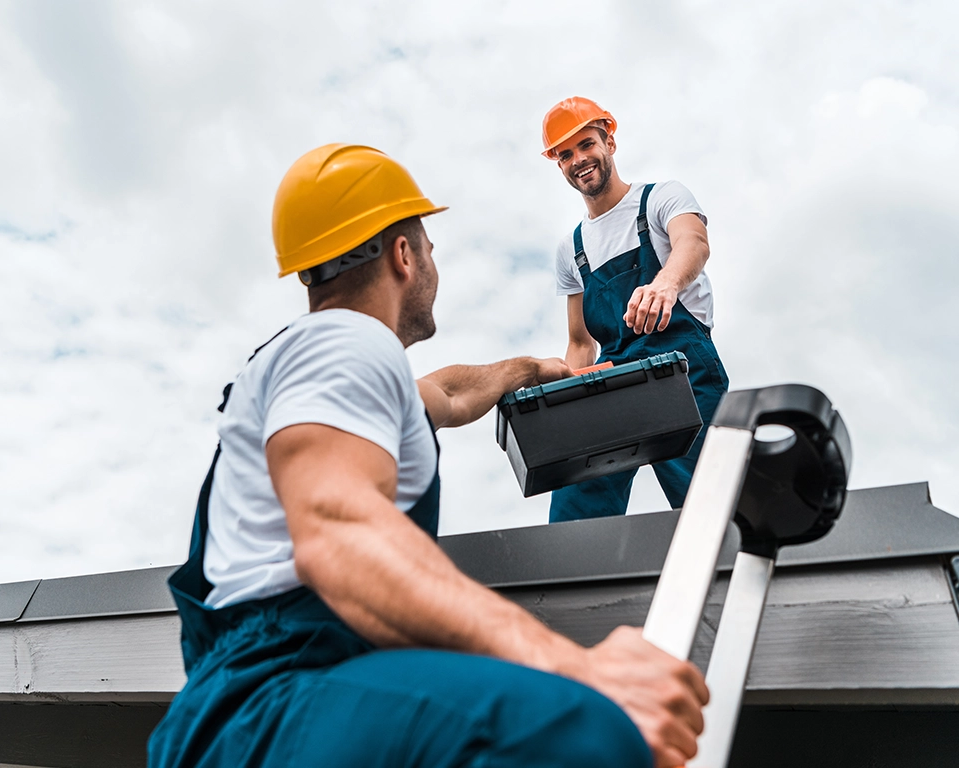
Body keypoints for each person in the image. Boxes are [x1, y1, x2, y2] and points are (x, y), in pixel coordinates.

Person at [148, 143, 708, 768]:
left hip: (289, 700)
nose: (434, 262)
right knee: (578, 729)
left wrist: (531, 369)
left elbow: (443, 393)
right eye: (430, 247)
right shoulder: (344, 344)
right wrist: (576, 668)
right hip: (272, 699)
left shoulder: (333, 377)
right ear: (404, 254)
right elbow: (341, 535)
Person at [542, 97, 730, 523]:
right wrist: (563, 403)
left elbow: (693, 243)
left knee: (708, 503)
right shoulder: (572, 249)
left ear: (608, 142)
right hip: (613, 382)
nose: (579, 160)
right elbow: (579, 341)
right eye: (565, 154)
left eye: (587, 145)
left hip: (682, 373)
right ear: (558, 164)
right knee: (578, 501)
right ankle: (579, 584)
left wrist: (665, 283)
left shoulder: (661, 198)